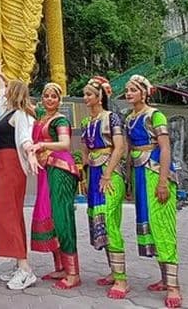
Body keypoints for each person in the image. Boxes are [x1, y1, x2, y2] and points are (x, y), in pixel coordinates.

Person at [125, 75, 182, 308]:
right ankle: (164, 278)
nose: (128, 94)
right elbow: (129, 151)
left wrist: (162, 182)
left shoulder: (155, 115)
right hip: (139, 172)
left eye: (133, 90)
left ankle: (174, 286)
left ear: (144, 92)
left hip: (156, 169)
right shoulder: (130, 118)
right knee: (149, 222)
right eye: (127, 90)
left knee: (162, 225)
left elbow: (165, 147)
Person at [0, 60, 40, 290]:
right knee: (11, 214)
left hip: (12, 166)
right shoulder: (7, 111)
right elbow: (2, 93)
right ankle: (19, 262)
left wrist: (31, 154)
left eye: (10, 89)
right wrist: (0, 73)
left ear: (16, 93)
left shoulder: (20, 114)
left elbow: (24, 138)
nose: (5, 91)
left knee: (8, 213)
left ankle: (25, 269)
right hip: (3, 165)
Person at [29, 83, 81, 289]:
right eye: (46, 96)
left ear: (59, 100)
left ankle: (73, 273)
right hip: (46, 171)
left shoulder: (60, 120)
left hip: (61, 170)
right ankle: (60, 267)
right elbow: (21, 101)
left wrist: (42, 144)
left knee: (62, 218)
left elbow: (65, 144)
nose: (50, 99)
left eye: (54, 96)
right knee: (49, 216)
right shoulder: (42, 115)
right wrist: (2, 76)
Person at [82, 76, 129, 299]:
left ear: (100, 97)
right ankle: (113, 271)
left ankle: (121, 280)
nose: (85, 98)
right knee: (98, 218)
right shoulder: (87, 122)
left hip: (110, 173)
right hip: (93, 174)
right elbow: (84, 149)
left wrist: (108, 174)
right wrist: (83, 174)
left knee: (110, 220)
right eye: (84, 94)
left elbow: (119, 147)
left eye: (89, 94)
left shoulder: (112, 118)